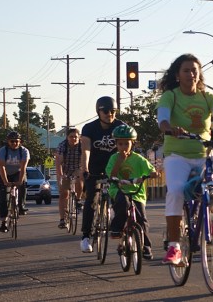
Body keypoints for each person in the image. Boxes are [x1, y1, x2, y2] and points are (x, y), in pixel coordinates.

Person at [157, 53, 213, 266]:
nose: (191, 74)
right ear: (178, 75)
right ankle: (174, 247)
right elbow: (162, 118)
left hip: (205, 154)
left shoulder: (207, 97)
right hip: (177, 156)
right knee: (176, 191)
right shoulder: (171, 96)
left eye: (194, 70)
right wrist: (170, 128)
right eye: (186, 70)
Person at [79, 96, 125, 253]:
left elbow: (127, 149)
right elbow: (85, 149)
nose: (109, 114)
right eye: (105, 111)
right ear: (98, 112)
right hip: (94, 168)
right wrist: (84, 168)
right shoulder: (89, 128)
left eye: (113, 111)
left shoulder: (120, 127)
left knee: (122, 199)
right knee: (91, 200)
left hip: (115, 168)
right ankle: (85, 236)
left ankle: (123, 234)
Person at [106, 124, 158, 260]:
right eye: (120, 144)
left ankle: (146, 246)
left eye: (127, 144)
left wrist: (152, 173)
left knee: (142, 219)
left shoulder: (138, 159)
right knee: (122, 203)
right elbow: (112, 175)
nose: (124, 147)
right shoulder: (114, 158)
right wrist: (120, 161)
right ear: (116, 144)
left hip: (136, 192)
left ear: (133, 143)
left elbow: (150, 170)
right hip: (119, 189)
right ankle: (116, 228)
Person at [0, 131, 30, 232]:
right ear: (8, 141)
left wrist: (20, 181)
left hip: (18, 173)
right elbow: (2, 167)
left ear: (20, 142)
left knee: (23, 185)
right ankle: (4, 222)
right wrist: (6, 182)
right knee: (4, 198)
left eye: (17, 141)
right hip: (4, 174)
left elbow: (23, 167)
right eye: (12, 141)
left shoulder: (24, 151)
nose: (14, 143)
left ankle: (21, 206)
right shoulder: (2, 151)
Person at [56, 128, 83, 229]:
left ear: (79, 137)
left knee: (79, 179)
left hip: (78, 168)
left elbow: (86, 159)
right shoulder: (63, 146)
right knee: (64, 194)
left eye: (75, 136)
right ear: (67, 137)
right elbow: (58, 162)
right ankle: (62, 219)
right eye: (71, 137)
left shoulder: (82, 145)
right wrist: (61, 175)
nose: (73, 138)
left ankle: (78, 200)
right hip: (66, 169)